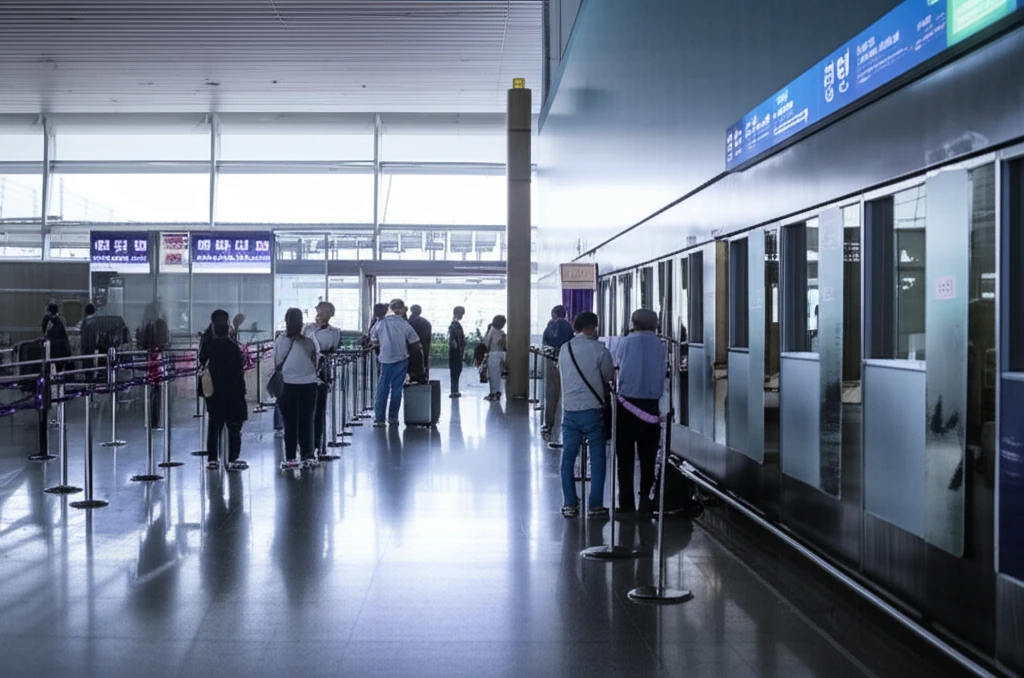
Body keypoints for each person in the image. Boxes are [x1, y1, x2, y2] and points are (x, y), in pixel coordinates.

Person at [557, 312, 614, 519]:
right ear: (592, 328)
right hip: (592, 409)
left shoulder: (564, 348)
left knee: (568, 457)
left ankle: (569, 503)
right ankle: (595, 505)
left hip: (570, 410)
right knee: (597, 456)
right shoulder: (600, 349)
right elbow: (609, 376)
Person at [613, 309, 667, 514]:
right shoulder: (661, 345)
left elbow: (617, 364)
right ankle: (646, 500)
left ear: (633, 323)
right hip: (651, 407)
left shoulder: (625, 342)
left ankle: (626, 503)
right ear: (655, 324)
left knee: (625, 457)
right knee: (648, 456)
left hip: (626, 405)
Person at [275, 308, 321, 470]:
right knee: (306, 421)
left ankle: (291, 457)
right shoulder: (309, 340)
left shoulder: (281, 340)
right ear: (301, 322)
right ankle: (308, 456)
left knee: (289, 423)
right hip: (309, 383)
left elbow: (277, 362)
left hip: (287, 384)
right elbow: (316, 359)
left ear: (286, 321)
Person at [369, 299, 423, 427]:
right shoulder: (404, 324)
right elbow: (415, 341)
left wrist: (381, 344)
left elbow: (373, 339)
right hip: (401, 359)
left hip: (385, 360)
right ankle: (393, 418)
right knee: (397, 389)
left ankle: (379, 418)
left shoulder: (380, 323)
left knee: (382, 389)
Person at [204, 319, 249, 472]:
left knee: (214, 426)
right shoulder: (234, 348)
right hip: (233, 394)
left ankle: (212, 458)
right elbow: (239, 371)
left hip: (215, 394)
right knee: (234, 426)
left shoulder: (210, 348)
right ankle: (232, 457)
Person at [305, 301, 342, 455]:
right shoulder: (308, 329)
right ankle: (306, 442)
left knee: (320, 407)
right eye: (320, 311)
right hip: (307, 369)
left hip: (324, 370)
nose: (321, 314)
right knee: (308, 407)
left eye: (326, 311)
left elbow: (334, 348)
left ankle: (317, 442)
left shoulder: (335, 332)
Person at [542, 305, 574, 437]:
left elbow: (545, 342)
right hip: (567, 360)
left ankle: (549, 423)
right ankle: (563, 423)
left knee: (551, 393)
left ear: (554, 313)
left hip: (551, 359)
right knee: (565, 393)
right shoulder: (568, 327)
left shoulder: (551, 325)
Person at [139, 300, 170, 429]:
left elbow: (144, 343)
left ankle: (154, 419)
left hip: (154, 361)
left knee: (155, 390)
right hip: (155, 361)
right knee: (155, 391)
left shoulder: (152, 325)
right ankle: (153, 419)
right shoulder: (155, 325)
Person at [482, 315, 507, 401]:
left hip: (492, 354)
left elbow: (487, 343)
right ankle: (498, 392)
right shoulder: (502, 333)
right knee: (499, 376)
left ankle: (493, 394)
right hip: (502, 354)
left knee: (493, 376)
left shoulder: (492, 331)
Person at [41, 302, 71, 370]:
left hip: (52, 351)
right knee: (58, 370)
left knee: (52, 370)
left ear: (49, 311)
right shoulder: (60, 321)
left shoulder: (49, 321)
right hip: (61, 352)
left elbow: (45, 332)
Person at [407, 304, 433, 377]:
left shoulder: (408, 322)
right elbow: (428, 339)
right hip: (424, 349)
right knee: (423, 370)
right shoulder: (426, 322)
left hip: (411, 350)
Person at [447, 306, 467, 398]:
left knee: (455, 371)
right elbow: (456, 340)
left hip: (456, 352)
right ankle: (454, 390)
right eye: (461, 314)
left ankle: (454, 390)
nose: (462, 316)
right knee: (456, 371)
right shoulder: (455, 325)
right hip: (456, 352)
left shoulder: (454, 324)